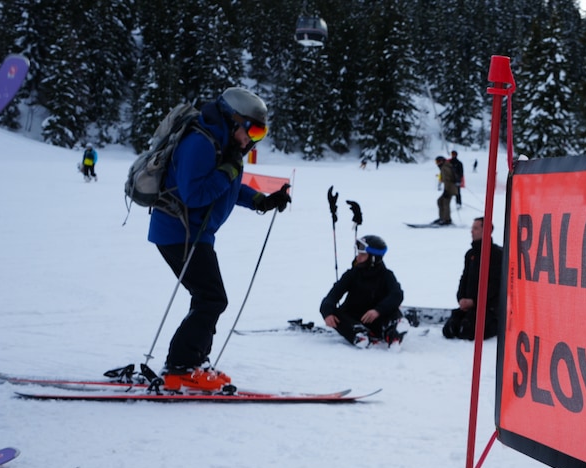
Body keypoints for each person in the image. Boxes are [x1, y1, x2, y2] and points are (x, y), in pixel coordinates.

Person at [148, 86, 291, 391]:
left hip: (195, 233)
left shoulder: (223, 143)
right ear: (232, 118)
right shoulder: (200, 142)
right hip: (179, 231)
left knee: (209, 298)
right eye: (252, 130)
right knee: (212, 298)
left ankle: (193, 361)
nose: (252, 139)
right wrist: (227, 171)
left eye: (260, 134)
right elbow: (195, 193)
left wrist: (260, 201)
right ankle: (181, 367)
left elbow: (230, 184)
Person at [321, 235, 407, 348]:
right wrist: (327, 312)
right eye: (358, 254)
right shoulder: (352, 274)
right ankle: (360, 336)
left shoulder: (387, 275)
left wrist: (378, 311)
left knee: (393, 309)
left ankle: (394, 334)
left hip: (377, 319)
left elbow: (397, 295)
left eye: (362, 255)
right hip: (353, 319)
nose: (358, 257)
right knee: (336, 313)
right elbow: (332, 296)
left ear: (373, 258)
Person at [443, 217, 503, 340]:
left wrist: (475, 301)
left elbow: (495, 285)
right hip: (470, 305)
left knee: (467, 330)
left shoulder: (497, 254)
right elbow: (464, 278)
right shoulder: (470, 254)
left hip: (488, 307)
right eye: (472, 228)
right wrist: (461, 298)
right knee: (449, 329)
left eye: (475, 228)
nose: (472, 231)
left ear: (486, 231)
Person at [433, 155, 457, 225]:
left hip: (450, 188)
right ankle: (443, 218)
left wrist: (446, 190)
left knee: (445, 203)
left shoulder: (445, 167)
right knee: (440, 201)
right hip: (448, 188)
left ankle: (447, 219)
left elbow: (448, 180)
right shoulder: (445, 166)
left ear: (441, 161)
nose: (437, 164)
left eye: (437, 162)